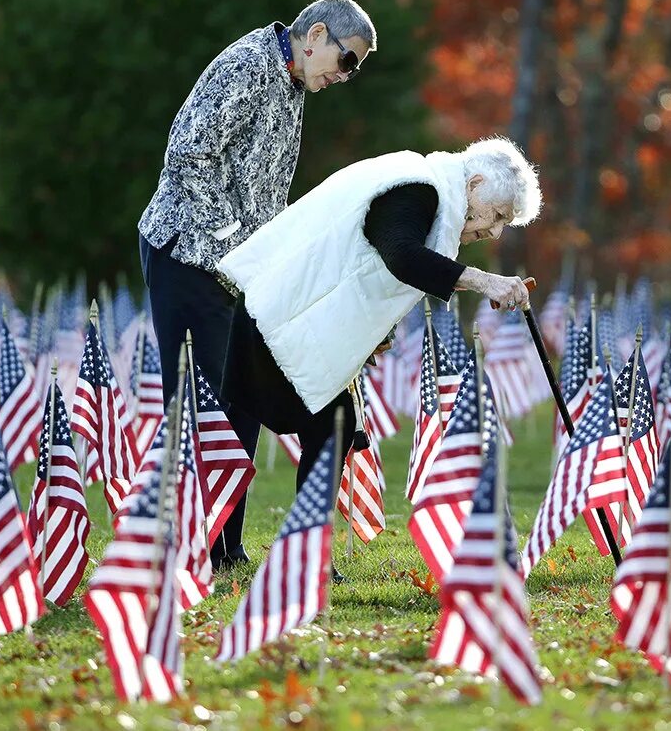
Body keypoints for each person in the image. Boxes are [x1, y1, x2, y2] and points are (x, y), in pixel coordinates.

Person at [138, 0, 376, 570]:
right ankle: (189, 549)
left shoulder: (293, 85)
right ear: (316, 34)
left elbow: (264, 196)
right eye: (347, 61)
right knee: (206, 405)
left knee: (239, 402)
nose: (345, 77)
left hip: (240, 267)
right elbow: (187, 156)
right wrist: (235, 246)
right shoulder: (247, 66)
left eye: (356, 69)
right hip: (187, 254)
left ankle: (225, 547)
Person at [217, 137, 541, 501]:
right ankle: (227, 548)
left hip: (301, 326)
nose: (495, 231)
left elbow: (378, 266)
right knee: (230, 442)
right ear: (475, 184)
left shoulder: (428, 189)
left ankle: (300, 551)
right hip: (278, 319)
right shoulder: (418, 188)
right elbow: (402, 257)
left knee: (326, 432)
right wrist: (483, 280)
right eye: (497, 215)